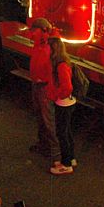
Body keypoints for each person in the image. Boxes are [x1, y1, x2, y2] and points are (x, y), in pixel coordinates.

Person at [27, 18, 61, 167]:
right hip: (37, 84)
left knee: (49, 122)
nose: (32, 34)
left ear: (44, 31)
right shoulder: (39, 43)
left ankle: (56, 157)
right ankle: (43, 145)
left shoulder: (52, 45)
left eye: (35, 31)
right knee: (40, 117)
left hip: (45, 87)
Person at [45, 36, 76, 175]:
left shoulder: (60, 65)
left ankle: (66, 164)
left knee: (62, 133)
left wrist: (56, 95)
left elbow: (67, 87)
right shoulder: (64, 63)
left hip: (63, 103)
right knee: (67, 132)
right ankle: (71, 157)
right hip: (68, 102)